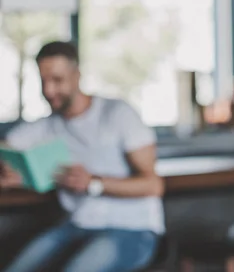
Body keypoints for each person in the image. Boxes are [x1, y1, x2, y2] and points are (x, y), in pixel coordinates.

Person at [0, 41, 164, 272]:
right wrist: (12, 172)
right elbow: (7, 148)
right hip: (76, 226)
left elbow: (153, 185)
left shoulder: (118, 115)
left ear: (76, 76)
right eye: (43, 81)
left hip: (133, 230)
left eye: (57, 80)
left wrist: (93, 183)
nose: (48, 91)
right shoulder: (46, 126)